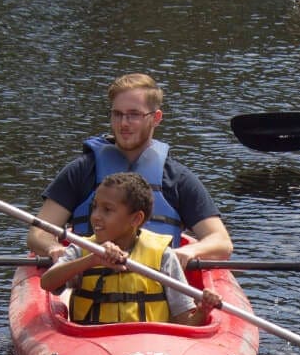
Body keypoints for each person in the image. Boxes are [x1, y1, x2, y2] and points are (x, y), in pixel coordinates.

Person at [27, 72, 232, 265]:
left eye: (134, 115)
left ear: (156, 118)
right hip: (88, 284)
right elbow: (38, 233)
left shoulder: (176, 178)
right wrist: (53, 248)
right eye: (117, 114)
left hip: (155, 288)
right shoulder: (81, 171)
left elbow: (221, 242)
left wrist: (190, 251)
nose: (123, 123)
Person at [40, 172, 223, 326]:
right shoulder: (83, 250)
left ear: (136, 219)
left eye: (107, 210)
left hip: (147, 348)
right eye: (94, 207)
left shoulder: (164, 257)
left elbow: (185, 321)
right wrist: (92, 260)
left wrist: (203, 311)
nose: (95, 216)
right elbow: (47, 283)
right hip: (93, 345)